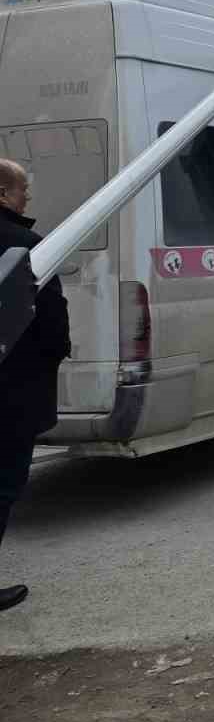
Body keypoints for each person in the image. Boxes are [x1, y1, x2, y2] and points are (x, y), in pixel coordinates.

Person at [0, 158, 71, 612]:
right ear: (4, 194)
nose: (27, 198)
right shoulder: (25, 247)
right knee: (3, 484)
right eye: (23, 190)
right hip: (12, 395)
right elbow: (51, 328)